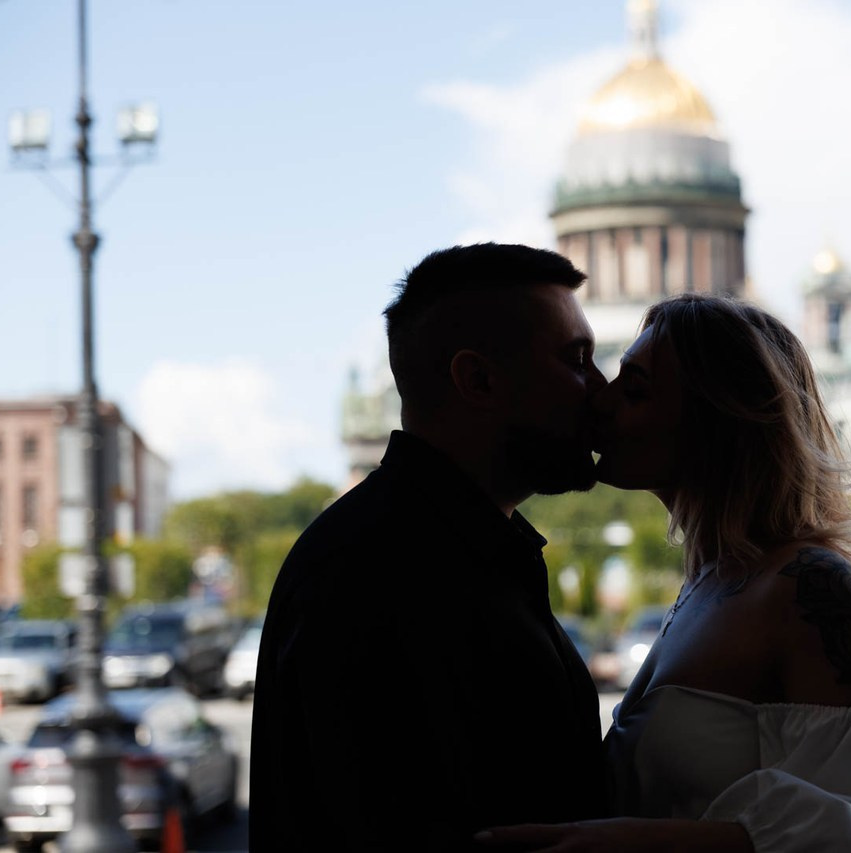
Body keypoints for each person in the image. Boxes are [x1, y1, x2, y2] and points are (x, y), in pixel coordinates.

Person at [478, 292, 851, 851]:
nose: (599, 403)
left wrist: (637, 843)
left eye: (634, 390)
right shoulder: (715, 581)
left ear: (718, 419)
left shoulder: (808, 585)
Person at [248, 243, 611, 851]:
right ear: (477, 379)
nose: (599, 390)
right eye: (576, 361)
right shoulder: (376, 574)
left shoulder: (432, 549)